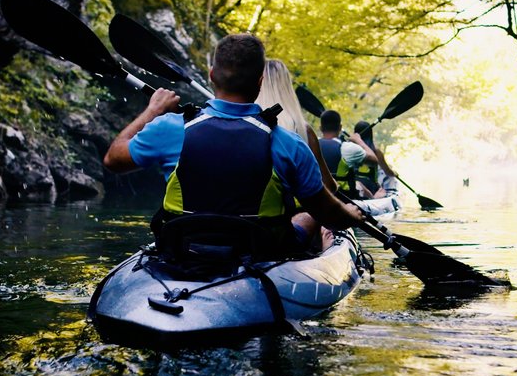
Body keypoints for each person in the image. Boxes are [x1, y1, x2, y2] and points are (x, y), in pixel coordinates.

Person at [103, 33, 363, 253]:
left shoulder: (170, 127)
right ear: (260, 82)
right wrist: (351, 213)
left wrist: (153, 111)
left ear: (212, 75)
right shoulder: (290, 144)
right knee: (307, 215)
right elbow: (328, 214)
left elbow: (113, 160)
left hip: (183, 247)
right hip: (259, 252)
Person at [255, 59, 336, 193]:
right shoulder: (303, 130)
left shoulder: (245, 124)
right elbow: (328, 186)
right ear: (288, 87)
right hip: (289, 211)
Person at [318, 110, 378, 199]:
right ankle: (373, 201)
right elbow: (374, 161)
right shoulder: (348, 148)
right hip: (343, 196)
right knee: (360, 185)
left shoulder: (309, 145)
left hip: (318, 195)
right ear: (340, 127)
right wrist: (358, 140)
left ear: (321, 128)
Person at [353, 120, 398, 197]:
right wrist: (394, 174)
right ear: (370, 134)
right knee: (382, 190)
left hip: (354, 184)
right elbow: (387, 172)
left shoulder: (350, 149)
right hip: (371, 187)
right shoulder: (376, 151)